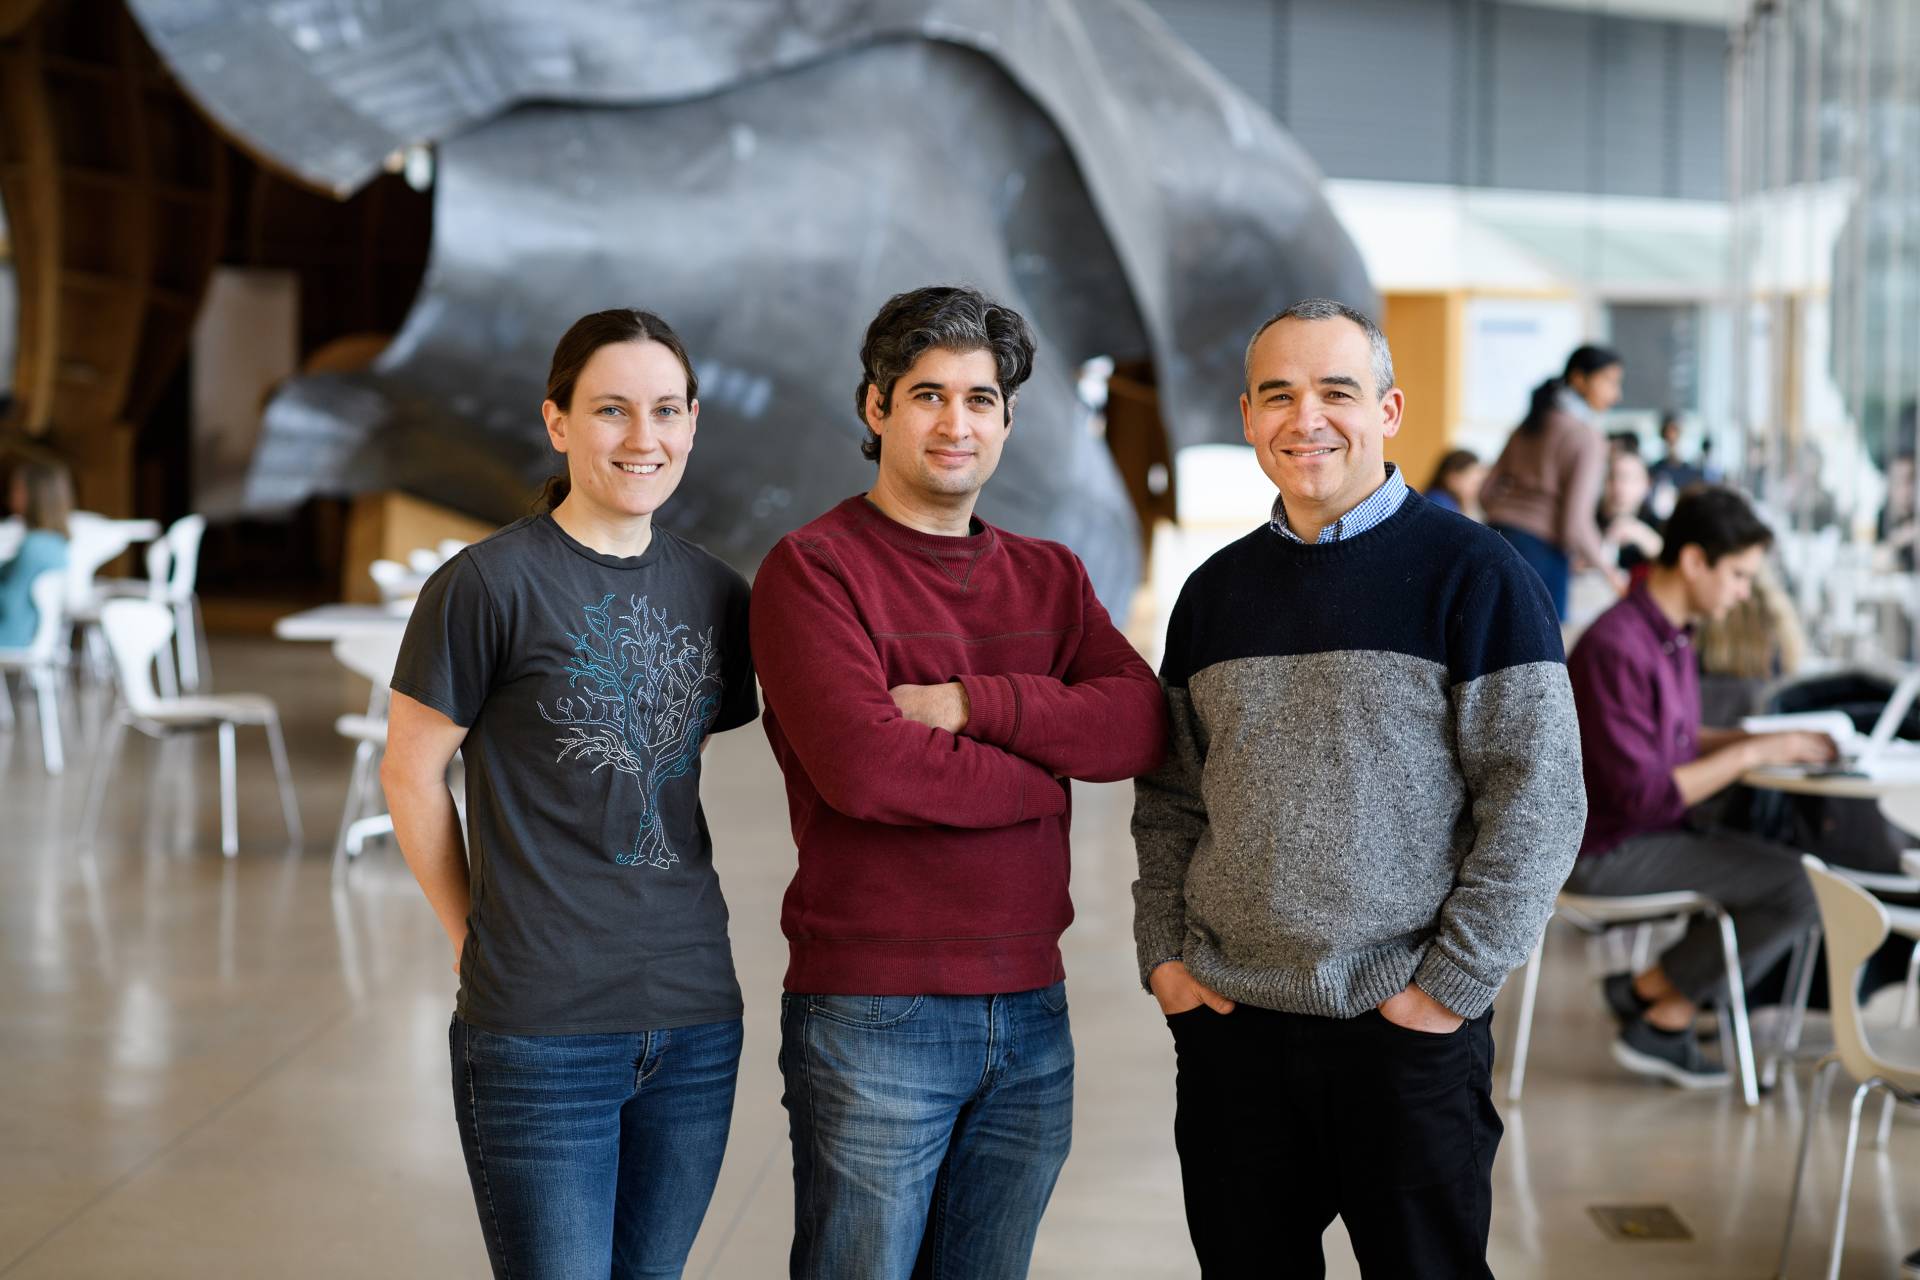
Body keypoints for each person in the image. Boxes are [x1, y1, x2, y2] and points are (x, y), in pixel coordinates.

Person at [1132, 298, 1586, 1279]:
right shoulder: (1213, 593)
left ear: (1389, 410)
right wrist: (1165, 955)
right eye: (1280, 394)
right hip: (1232, 1030)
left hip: (1405, 1035)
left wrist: (1445, 991)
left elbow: (1541, 800)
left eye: (1337, 391)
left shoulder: (1478, 575)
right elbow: (1171, 797)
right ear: (1248, 414)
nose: (1308, 418)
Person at [750, 285, 1167, 1279]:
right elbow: (865, 764)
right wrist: (1041, 783)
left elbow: (1140, 721)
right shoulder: (814, 569)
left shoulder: (1052, 576)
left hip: (1032, 1007)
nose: (956, 421)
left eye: (981, 399)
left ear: (1008, 420)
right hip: (875, 1008)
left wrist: (980, 706)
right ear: (876, 407)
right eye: (928, 394)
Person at [381, 309, 758, 1279]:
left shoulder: (718, 593)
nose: (644, 437)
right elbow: (411, 773)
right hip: (538, 1030)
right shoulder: (485, 585)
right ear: (557, 421)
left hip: (695, 1021)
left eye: (666, 410)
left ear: (692, 421)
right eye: (611, 410)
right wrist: (475, 936)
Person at [1565, 486, 1832, 1087]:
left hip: (1646, 833)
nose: (1744, 593)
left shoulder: (1669, 633)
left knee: (1771, 854)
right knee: (1801, 886)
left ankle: (1652, 995)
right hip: (1604, 851)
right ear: (1692, 561)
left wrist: (1752, 738)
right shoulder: (1619, 646)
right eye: (1738, 575)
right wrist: (1756, 752)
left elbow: (1675, 742)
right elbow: (1645, 794)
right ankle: (1661, 1013)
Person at [1481, 345, 1629, 617]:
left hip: (1494, 540)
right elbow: (1574, 524)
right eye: (1609, 381)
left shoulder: (1528, 424)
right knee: (1540, 655)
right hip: (1543, 557)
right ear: (1579, 379)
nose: (1616, 394)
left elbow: (1485, 491)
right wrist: (1610, 573)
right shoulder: (1586, 437)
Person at [0, 459, 73, 648]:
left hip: (12, 635)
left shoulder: (33, 546)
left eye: (17, 488)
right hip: (33, 636)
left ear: (35, 495)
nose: (10, 493)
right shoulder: (56, 543)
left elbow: (11, 602)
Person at [1598, 448, 1662, 574]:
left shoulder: (1658, 524)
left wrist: (1640, 535)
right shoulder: (1586, 523)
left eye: (1629, 479)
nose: (1619, 487)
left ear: (1646, 484)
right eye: (1612, 477)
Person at [1646, 410, 1707, 520]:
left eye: (1675, 432)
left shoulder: (1693, 473)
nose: (1672, 437)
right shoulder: (1653, 471)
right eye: (1668, 433)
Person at [1422, 447, 1484, 517]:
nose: (1478, 490)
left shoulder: (1449, 503)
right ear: (1453, 479)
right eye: (1474, 483)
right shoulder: (1440, 504)